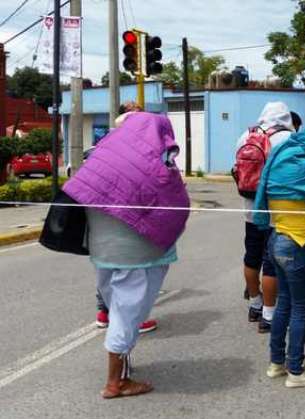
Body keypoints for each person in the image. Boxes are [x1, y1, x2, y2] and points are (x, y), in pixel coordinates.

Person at [64, 112, 190, 398]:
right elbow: (174, 201)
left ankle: (122, 367)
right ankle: (114, 383)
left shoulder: (102, 152)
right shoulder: (158, 162)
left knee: (115, 305)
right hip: (140, 251)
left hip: (102, 249)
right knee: (127, 313)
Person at [253, 128, 305, 389]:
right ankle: (296, 371)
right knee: (301, 308)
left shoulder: (279, 156)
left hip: (276, 240)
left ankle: (276, 363)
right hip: (301, 243)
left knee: (284, 305)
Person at [94, 103, 157, 335]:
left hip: (100, 219)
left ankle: (105, 312)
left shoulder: (100, 146)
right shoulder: (141, 150)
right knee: (132, 273)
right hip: (127, 220)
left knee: (106, 268)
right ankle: (131, 321)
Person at [236, 102, 296, 333]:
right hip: (276, 211)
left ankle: (254, 304)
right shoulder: (288, 139)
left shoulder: (246, 135)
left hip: (250, 209)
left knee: (252, 257)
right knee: (271, 263)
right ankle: (269, 316)